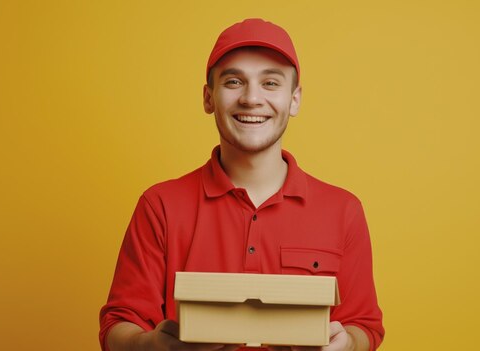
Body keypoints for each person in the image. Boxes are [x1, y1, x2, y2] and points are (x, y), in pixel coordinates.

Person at [99, 18, 384, 351]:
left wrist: (347, 344)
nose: (251, 98)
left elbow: (365, 327)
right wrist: (152, 346)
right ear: (209, 98)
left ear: (294, 100)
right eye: (234, 81)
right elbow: (117, 328)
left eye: (270, 83)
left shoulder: (343, 210)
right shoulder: (159, 205)